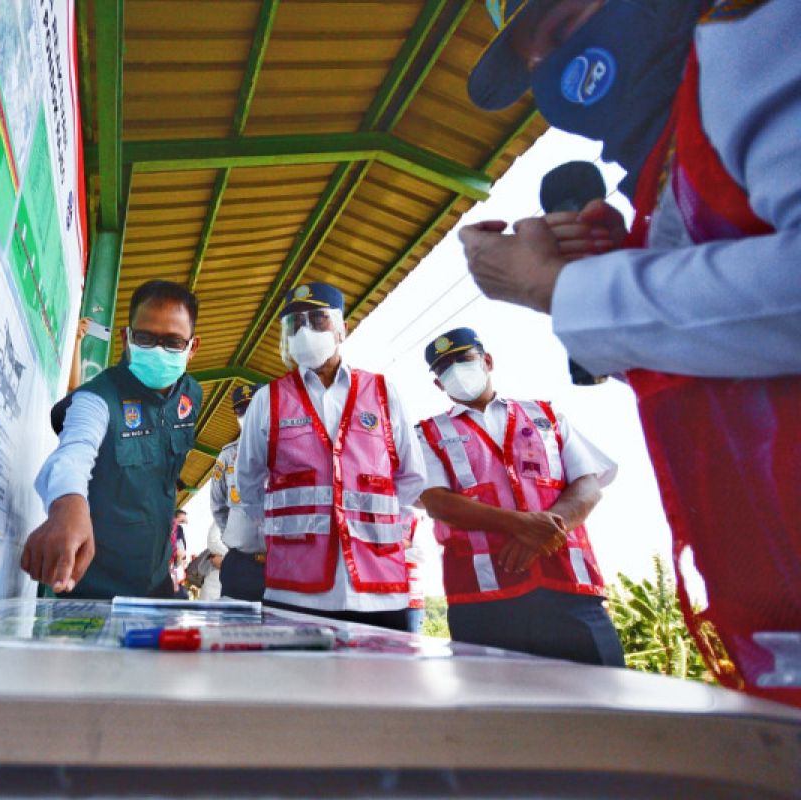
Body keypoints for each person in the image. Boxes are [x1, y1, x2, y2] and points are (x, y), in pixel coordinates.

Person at [458, 0, 800, 701]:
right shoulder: (672, 160)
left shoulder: (763, 30)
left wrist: (563, 289)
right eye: (533, 60)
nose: (546, 67)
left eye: (560, 26)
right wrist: (622, 267)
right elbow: (729, 356)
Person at [416, 328, 624, 665]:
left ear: (487, 360)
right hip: (483, 599)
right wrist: (523, 525)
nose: (455, 370)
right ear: (439, 384)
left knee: (603, 702)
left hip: (570, 587)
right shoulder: (427, 434)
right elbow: (437, 502)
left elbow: (588, 485)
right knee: (498, 711)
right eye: (444, 368)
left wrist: (539, 535)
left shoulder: (545, 415)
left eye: (463, 358)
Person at [236, 282, 426, 631]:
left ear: (342, 329)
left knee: (380, 683)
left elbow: (412, 476)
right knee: (298, 683)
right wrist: (279, 529)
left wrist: (381, 532)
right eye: (294, 325)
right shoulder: (268, 399)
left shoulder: (383, 393)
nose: (305, 331)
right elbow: (247, 481)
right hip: (295, 588)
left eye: (317, 320)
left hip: (378, 587)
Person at [24, 280, 203, 598]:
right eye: (145, 338)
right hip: (93, 587)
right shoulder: (99, 398)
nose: (159, 351)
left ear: (192, 348)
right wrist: (67, 504)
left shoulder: (191, 395)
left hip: (156, 585)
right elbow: (74, 452)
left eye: (173, 342)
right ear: (126, 338)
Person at [205, 384, 265, 601]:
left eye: (255, 407)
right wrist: (237, 536)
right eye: (241, 411)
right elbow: (218, 507)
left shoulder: (290, 452)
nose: (248, 416)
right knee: (235, 632)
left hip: (283, 566)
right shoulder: (227, 457)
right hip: (241, 566)